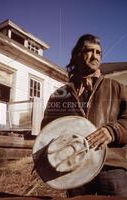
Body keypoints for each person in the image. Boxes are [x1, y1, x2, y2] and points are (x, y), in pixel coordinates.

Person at [41, 34, 127, 197]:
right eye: (89, 51)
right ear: (76, 55)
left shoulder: (117, 88)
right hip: (74, 168)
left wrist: (114, 130)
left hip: (111, 165)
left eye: (98, 52)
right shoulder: (60, 95)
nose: (95, 56)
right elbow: (47, 130)